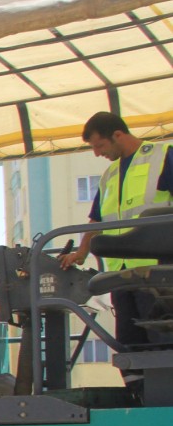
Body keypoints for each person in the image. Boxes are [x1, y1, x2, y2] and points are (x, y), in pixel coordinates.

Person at [59, 112, 173, 351]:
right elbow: (96, 220)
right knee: (129, 341)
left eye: (99, 145)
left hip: (159, 273)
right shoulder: (109, 175)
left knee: (162, 339)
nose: (97, 153)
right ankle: (136, 377)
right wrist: (81, 253)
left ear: (118, 135)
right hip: (121, 274)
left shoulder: (163, 157)